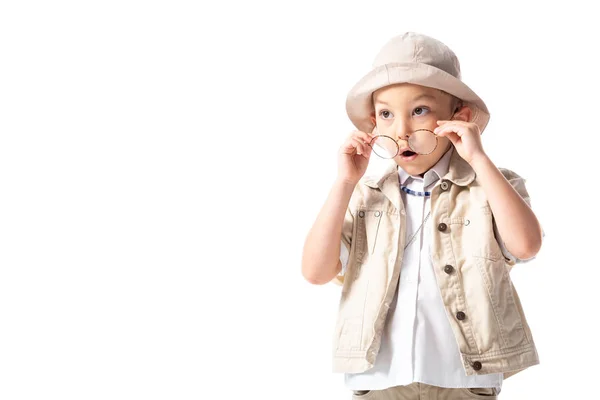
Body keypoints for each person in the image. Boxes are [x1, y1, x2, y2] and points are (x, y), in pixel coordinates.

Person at [301, 32, 544, 399]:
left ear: (457, 118)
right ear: (373, 125)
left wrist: (478, 158)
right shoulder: (364, 194)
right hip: (380, 379)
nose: (402, 130)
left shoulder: (490, 186)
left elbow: (525, 245)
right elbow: (316, 272)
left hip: (464, 379)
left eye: (419, 110)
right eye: (386, 114)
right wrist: (344, 182)